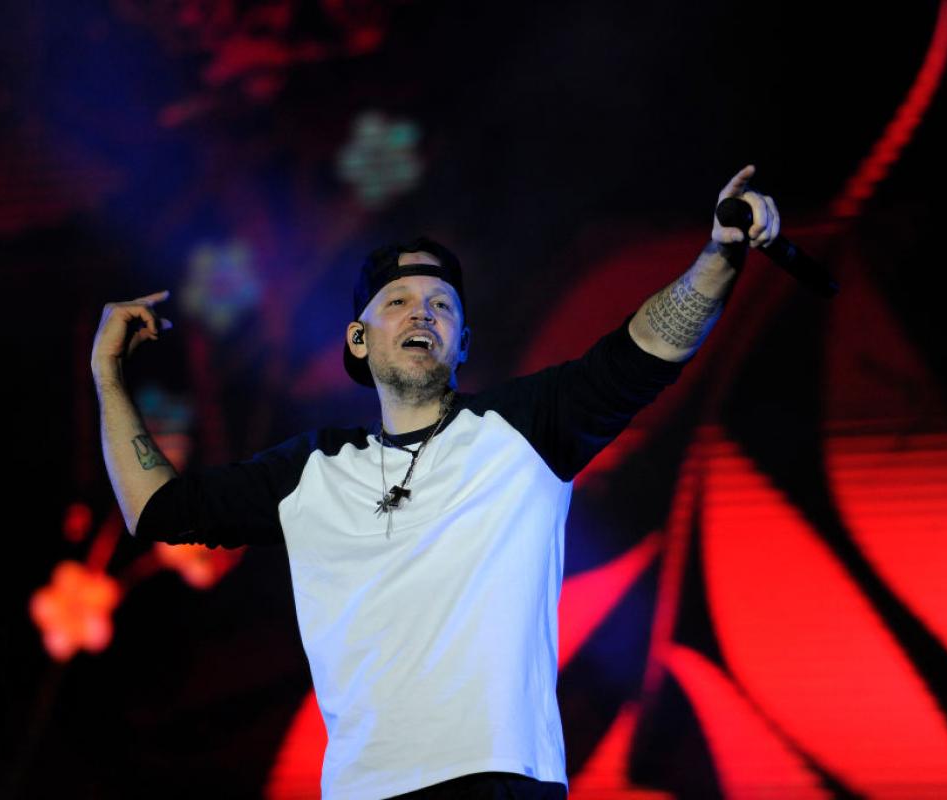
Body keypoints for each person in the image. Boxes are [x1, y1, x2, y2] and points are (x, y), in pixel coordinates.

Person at [90, 165, 780, 799]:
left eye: (442, 305)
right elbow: (159, 510)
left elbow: (648, 348)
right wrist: (107, 375)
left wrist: (719, 256)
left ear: (463, 343)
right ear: (358, 340)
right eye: (397, 301)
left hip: (500, 780)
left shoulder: (523, 430)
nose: (422, 313)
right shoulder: (310, 472)